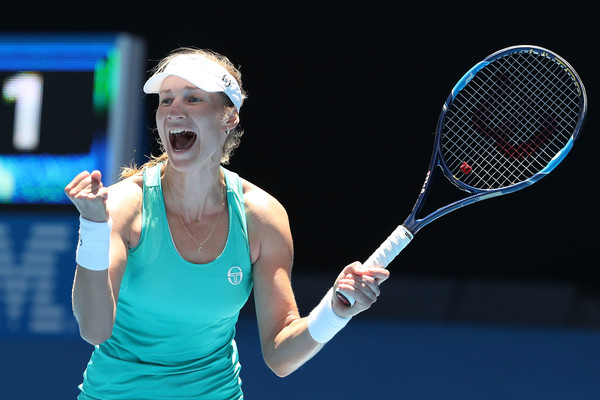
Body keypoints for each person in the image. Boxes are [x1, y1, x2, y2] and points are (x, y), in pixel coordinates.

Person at [65, 47, 390, 400]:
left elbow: (280, 354)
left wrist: (335, 311)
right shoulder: (124, 206)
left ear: (229, 117)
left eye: (192, 99)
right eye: (165, 100)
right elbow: (94, 329)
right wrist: (94, 228)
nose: (174, 111)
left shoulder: (261, 216)